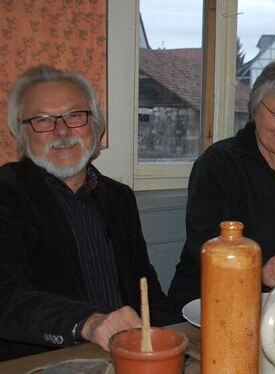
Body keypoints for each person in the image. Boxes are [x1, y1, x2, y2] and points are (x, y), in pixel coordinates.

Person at [0, 65, 179, 361]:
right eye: (42, 120)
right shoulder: (7, 194)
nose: (62, 131)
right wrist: (88, 322)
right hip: (44, 362)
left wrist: (177, 340)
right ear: (21, 133)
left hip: (127, 358)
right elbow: (5, 296)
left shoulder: (119, 198)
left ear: (95, 126)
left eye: (74, 116)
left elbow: (147, 292)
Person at [168, 62, 275, 310]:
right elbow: (206, 245)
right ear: (254, 109)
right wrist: (260, 266)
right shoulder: (219, 163)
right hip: (210, 305)